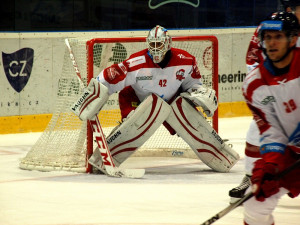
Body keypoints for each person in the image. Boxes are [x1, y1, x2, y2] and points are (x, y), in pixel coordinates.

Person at [71, 25, 240, 174]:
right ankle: (101, 160)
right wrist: (94, 94)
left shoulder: (186, 61)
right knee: (136, 123)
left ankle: (220, 155)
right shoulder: (137, 62)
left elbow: (193, 85)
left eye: (158, 44)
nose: (155, 48)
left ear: (167, 43)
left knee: (181, 110)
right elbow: (110, 76)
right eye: (152, 44)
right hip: (136, 99)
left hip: (170, 100)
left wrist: (200, 94)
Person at [228, 0, 300, 201]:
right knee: (258, 130)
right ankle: (250, 177)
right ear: (289, 9)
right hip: (274, 87)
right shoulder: (269, 27)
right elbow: (252, 59)